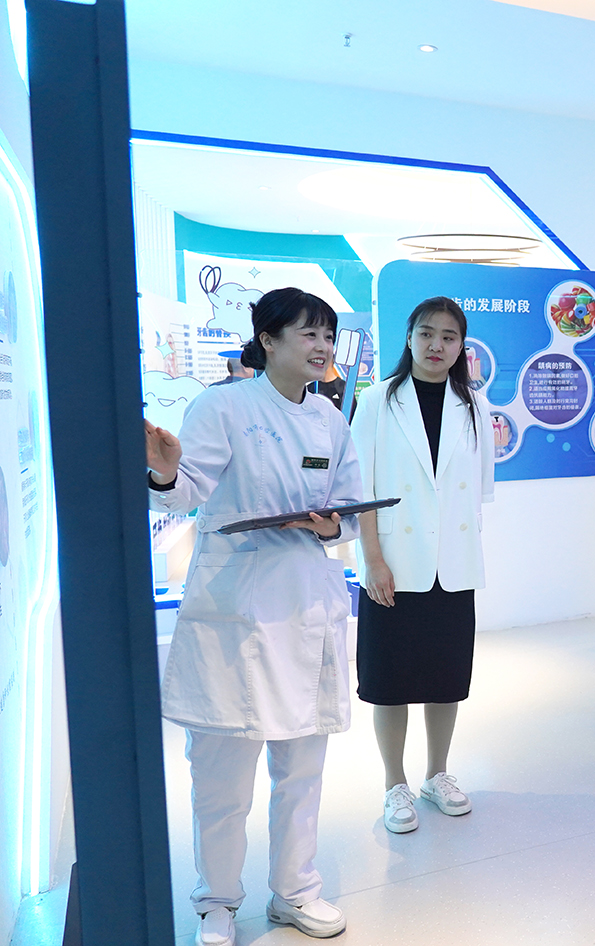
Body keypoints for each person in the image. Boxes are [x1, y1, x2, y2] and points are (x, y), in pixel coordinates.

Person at [145, 288, 362, 945]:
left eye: (328, 335)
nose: (322, 347)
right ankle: (216, 901)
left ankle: (295, 891)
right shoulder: (224, 406)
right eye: (308, 334)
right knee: (222, 778)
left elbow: (350, 508)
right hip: (235, 611)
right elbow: (186, 491)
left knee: (302, 771)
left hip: (306, 606)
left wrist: (331, 524)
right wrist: (165, 474)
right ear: (268, 340)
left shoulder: (330, 419)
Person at [350, 296, 493, 835]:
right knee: (388, 681)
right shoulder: (377, 401)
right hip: (394, 563)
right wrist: (373, 561)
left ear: (461, 346)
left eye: (449, 337)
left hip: (451, 564)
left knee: (445, 678)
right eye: (427, 333)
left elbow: (477, 492)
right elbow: (360, 491)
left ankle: (437, 774)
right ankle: (395, 782)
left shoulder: (474, 404)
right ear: (408, 337)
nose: (437, 345)